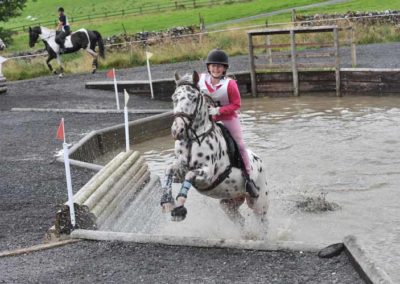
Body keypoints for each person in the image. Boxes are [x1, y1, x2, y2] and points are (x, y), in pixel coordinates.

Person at [198, 49, 259, 198]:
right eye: (213, 66)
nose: (216, 69)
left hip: (228, 118)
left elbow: (236, 105)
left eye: (219, 66)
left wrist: (218, 110)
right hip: (208, 120)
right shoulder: (200, 80)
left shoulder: (230, 84)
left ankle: (248, 178)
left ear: (224, 69)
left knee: (240, 145)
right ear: (208, 67)